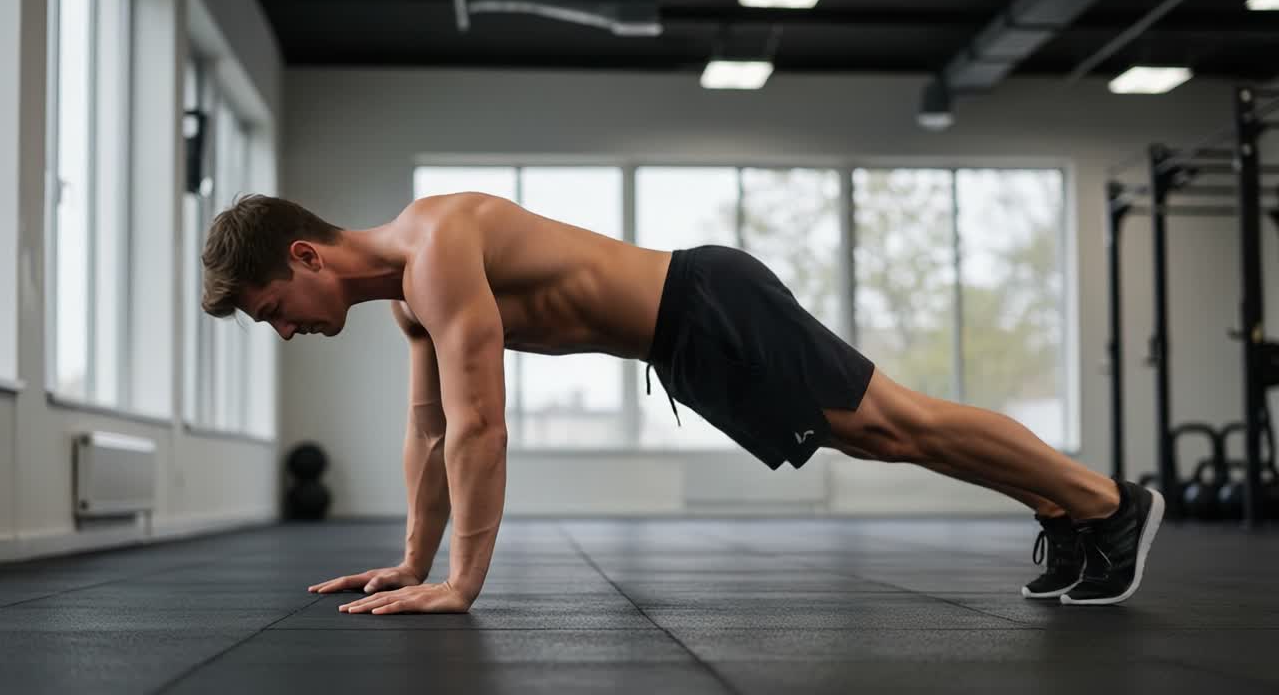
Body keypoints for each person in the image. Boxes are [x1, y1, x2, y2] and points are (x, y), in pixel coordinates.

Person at [200, 192, 1163, 613]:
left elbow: (484, 423)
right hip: (680, 338)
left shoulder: (438, 247)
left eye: (274, 311)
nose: (283, 330)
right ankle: (1067, 507)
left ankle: (1111, 505)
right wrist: (410, 559)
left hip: (703, 301)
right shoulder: (408, 301)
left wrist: (462, 583)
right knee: (880, 440)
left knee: (892, 422)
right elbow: (431, 430)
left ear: (306, 256)